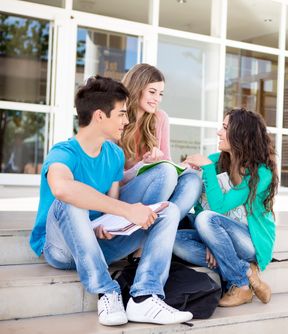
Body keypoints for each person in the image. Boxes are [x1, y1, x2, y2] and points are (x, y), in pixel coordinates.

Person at [29, 76, 192, 326]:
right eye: (122, 114)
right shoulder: (63, 152)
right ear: (99, 116)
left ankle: (145, 296)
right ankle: (107, 290)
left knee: (168, 211)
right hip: (60, 249)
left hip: (99, 244)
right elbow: (62, 188)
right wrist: (127, 210)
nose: (127, 121)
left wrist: (110, 222)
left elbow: (110, 204)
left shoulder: (114, 154)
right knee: (69, 200)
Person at [173, 108, 278, 307]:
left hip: (250, 242)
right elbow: (199, 203)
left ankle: (240, 285)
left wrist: (206, 168)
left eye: (224, 128)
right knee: (173, 239)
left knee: (206, 219)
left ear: (241, 135)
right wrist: (211, 239)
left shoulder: (262, 174)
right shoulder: (218, 160)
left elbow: (219, 207)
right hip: (223, 234)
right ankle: (246, 271)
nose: (218, 133)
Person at [118, 63, 201, 236]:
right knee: (165, 171)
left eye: (161, 94)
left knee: (193, 179)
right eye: (152, 92)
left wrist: (184, 166)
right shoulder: (118, 118)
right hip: (123, 197)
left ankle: (156, 234)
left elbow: (167, 163)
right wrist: (143, 165)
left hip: (155, 192)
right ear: (136, 88)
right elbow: (115, 179)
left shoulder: (160, 118)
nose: (157, 98)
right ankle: (144, 240)